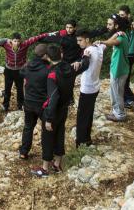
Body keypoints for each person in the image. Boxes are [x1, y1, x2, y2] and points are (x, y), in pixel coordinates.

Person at [31, 45, 90, 177]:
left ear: (47, 57)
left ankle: (45, 169)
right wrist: (85, 56)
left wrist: (49, 119)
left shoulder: (52, 74)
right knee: (59, 134)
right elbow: (85, 65)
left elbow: (53, 97)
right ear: (61, 55)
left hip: (53, 111)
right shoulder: (70, 68)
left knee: (47, 138)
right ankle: (57, 164)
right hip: (64, 109)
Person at [0, 32, 49, 112]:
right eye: (15, 41)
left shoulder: (24, 45)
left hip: (20, 70)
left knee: (20, 89)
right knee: (7, 88)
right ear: (11, 41)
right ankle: (5, 105)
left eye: (18, 41)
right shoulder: (6, 45)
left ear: (20, 41)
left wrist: (46, 34)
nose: (17, 43)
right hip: (9, 70)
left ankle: (20, 105)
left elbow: (34, 38)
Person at [95, 14, 130, 122]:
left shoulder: (121, 37)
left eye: (110, 24)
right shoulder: (121, 34)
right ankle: (116, 112)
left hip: (119, 70)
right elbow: (112, 39)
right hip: (118, 68)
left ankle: (120, 115)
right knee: (114, 92)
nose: (107, 26)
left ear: (116, 26)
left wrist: (101, 41)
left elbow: (114, 42)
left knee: (117, 93)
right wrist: (114, 35)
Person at [18, 44, 50, 159]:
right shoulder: (47, 69)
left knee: (28, 127)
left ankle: (23, 152)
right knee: (47, 128)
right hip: (42, 104)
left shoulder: (28, 66)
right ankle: (47, 153)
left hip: (28, 102)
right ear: (44, 55)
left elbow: (21, 73)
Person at [75, 29, 106, 147]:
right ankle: (87, 138)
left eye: (80, 40)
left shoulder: (87, 51)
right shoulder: (99, 47)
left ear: (87, 40)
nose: (78, 43)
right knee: (89, 113)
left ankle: (81, 142)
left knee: (82, 116)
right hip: (95, 86)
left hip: (87, 88)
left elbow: (83, 65)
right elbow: (104, 45)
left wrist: (81, 60)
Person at [118, 5, 134, 108]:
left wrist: (133, 25)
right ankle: (127, 99)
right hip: (128, 54)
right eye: (119, 15)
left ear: (128, 15)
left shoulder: (131, 25)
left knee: (124, 78)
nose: (120, 17)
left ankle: (130, 100)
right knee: (125, 77)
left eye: (122, 15)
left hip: (129, 55)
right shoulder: (122, 25)